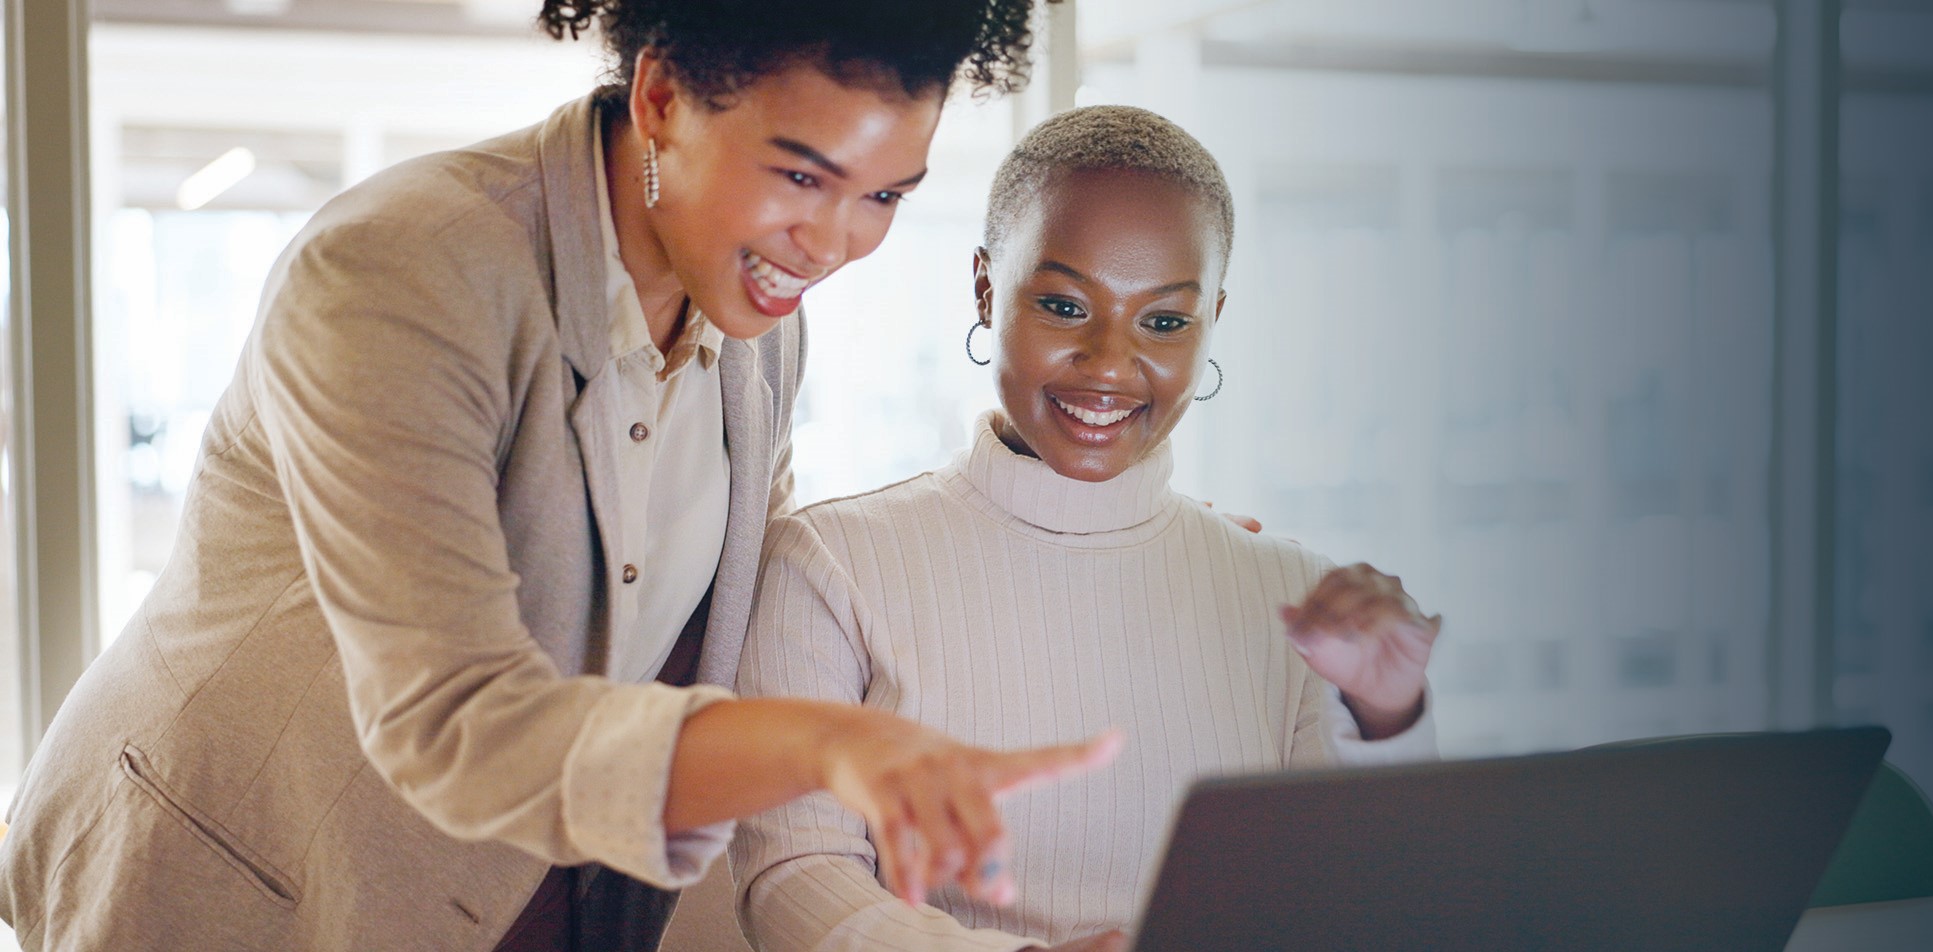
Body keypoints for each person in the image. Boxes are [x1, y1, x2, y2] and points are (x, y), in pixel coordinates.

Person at [0, 3, 1122, 950]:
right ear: (661, 99)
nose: (831, 243)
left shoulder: (760, 328)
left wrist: (1093, 524)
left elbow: (756, 589)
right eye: (799, 173)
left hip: (522, 897)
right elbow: (455, 719)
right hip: (243, 884)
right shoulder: (404, 271)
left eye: (883, 196)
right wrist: (825, 745)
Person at [729, 105, 1443, 952]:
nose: (1109, 363)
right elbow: (792, 873)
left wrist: (1389, 719)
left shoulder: (1286, 593)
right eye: (1065, 306)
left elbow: (1364, 902)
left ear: (1213, 317)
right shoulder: (833, 563)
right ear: (988, 289)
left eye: (1165, 321)